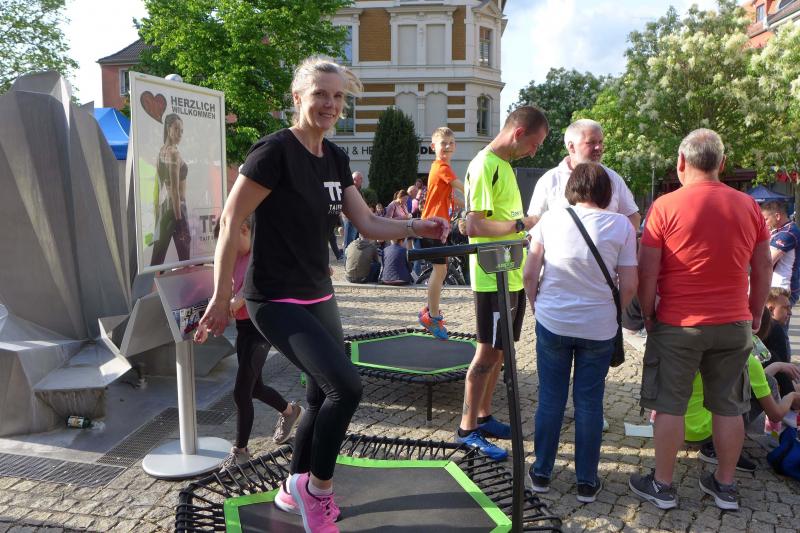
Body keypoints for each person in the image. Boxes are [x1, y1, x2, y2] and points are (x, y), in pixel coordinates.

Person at [195, 56, 448, 533]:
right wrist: (219, 296)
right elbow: (230, 221)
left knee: (318, 395)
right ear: (298, 98)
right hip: (274, 298)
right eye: (320, 94)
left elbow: (367, 222)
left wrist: (418, 226)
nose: (330, 104)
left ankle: (292, 489)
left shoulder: (334, 157)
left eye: (337, 96)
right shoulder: (273, 152)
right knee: (346, 387)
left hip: (318, 294)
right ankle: (318, 491)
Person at [629, 129, 772, 512]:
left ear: (681, 162)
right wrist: (755, 311)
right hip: (733, 323)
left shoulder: (664, 207)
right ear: (722, 164)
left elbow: (647, 271)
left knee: (670, 404)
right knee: (730, 406)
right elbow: (762, 268)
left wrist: (648, 313)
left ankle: (662, 486)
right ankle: (725, 486)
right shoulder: (749, 206)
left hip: (678, 323)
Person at [523, 162, 637, 503]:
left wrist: (536, 305)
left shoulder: (549, 220)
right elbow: (630, 283)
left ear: (571, 188)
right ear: (606, 191)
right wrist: (614, 311)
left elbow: (530, 273)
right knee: (589, 402)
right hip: (598, 327)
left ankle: (541, 472)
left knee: (550, 398)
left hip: (553, 321)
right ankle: (586, 481)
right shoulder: (621, 225)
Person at [456, 106, 549, 461]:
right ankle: (466, 429)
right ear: (519, 133)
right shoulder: (484, 164)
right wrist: (522, 225)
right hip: (491, 276)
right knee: (486, 353)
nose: (534, 153)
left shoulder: (504, 165)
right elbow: (475, 224)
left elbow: (499, 221)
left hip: (509, 272)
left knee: (501, 352)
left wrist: (519, 231)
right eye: (535, 144)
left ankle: (483, 415)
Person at [199, 216, 305, 470]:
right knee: (255, 387)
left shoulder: (261, 252)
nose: (229, 250)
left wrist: (236, 301)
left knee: (241, 391)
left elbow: (252, 288)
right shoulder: (232, 255)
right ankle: (290, 411)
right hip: (244, 327)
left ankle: (241, 451)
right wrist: (205, 322)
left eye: (231, 242)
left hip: (262, 327)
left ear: (245, 230)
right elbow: (221, 293)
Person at [683, 309, 800, 473]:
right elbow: (775, 414)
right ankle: (718, 447)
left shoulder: (706, 344)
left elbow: (756, 379)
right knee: (769, 383)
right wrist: (792, 396)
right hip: (703, 432)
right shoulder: (747, 359)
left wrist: (778, 366)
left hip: (678, 427)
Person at [527, 119, 640, 229]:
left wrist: (614, 237)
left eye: (600, 142)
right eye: (591, 142)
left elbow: (633, 217)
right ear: (571, 146)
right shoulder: (549, 180)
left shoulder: (613, 178)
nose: (598, 147)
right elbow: (534, 221)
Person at [418, 127, 465, 339]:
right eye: (443, 143)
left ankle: (431, 311)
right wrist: (480, 195)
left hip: (435, 226)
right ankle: (432, 317)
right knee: (440, 271)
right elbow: (462, 187)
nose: (447, 146)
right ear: (433, 146)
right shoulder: (442, 167)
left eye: (451, 143)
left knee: (440, 270)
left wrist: (469, 205)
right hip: (433, 226)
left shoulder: (438, 168)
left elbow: (452, 198)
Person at [151, 113, 191, 265]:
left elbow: (157, 186)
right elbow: (174, 190)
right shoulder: (173, 153)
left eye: (182, 130)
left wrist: (157, 216)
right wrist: (180, 220)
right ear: (168, 129)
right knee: (185, 256)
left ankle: (152, 280)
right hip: (177, 207)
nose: (180, 134)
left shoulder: (161, 152)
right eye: (176, 129)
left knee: (157, 257)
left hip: (166, 208)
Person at [761, 201, 800, 304]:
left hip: (782, 290)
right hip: (775, 288)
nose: (764, 223)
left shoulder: (788, 233)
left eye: (766, 219)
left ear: (777, 216)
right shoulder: (779, 230)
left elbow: (767, 262)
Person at [341, 171, 363, 257]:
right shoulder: (349, 190)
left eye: (360, 179)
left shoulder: (358, 190)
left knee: (354, 244)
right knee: (348, 245)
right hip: (350, 220)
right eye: (360, 179)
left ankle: (352, 262)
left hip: (356, 221)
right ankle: (347, 263)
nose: (361, 181)